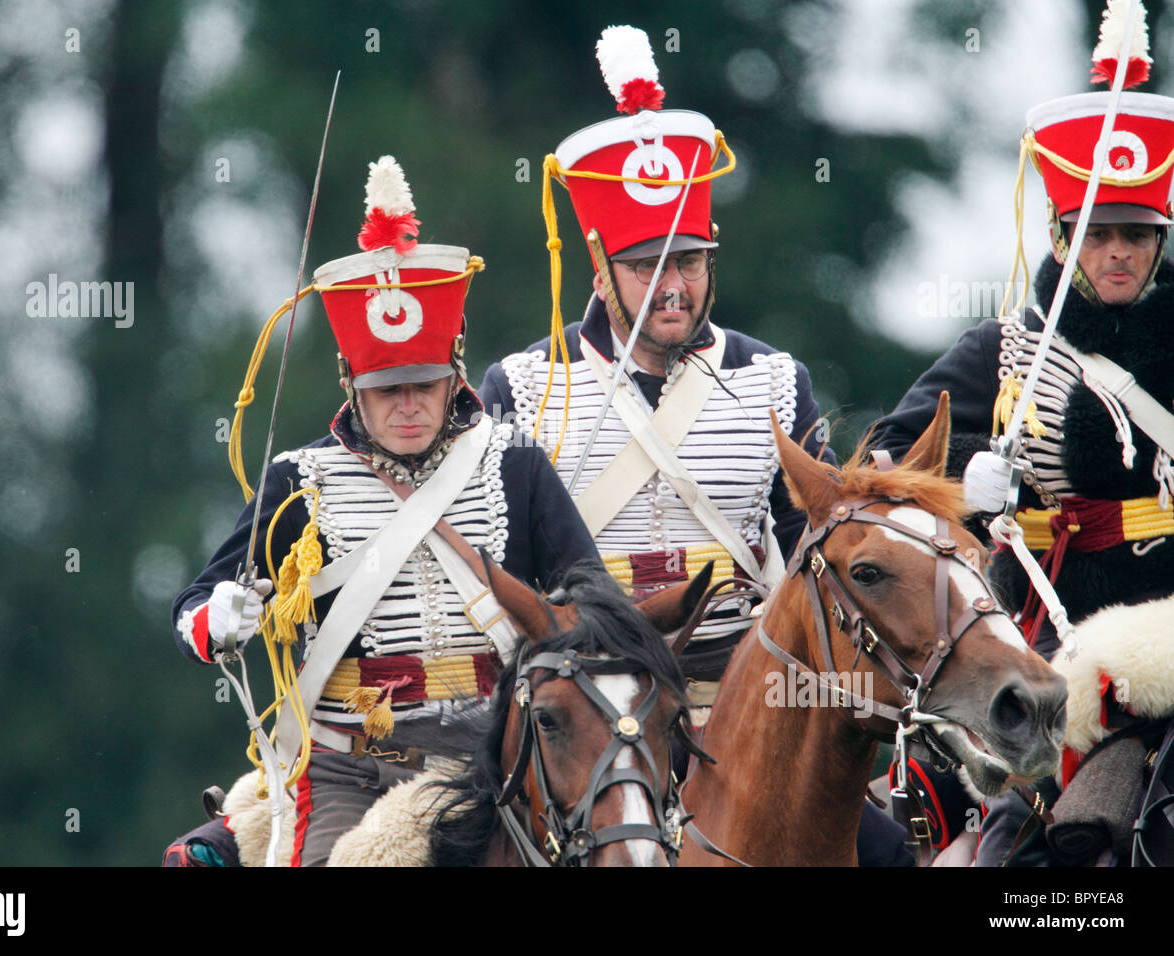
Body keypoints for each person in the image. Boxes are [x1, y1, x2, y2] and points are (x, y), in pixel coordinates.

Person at [163, 156, 601, 867]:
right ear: (350, 383)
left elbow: (592, 596)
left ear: (455, 370)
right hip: (348, 768)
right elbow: (190, 613)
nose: (407, 405)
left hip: (495, 763)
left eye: (423, 385)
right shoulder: (298, 480)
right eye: (386, 387)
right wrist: (221, 617)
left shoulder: (515, 464)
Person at [870, 0, 1174, 866]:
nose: (1118, 253)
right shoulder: (1004, 352)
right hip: (1044, 629)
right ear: (1060, 237)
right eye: (1099, 235)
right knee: (1004, 839)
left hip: (1172, 619)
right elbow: (889, 472)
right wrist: (964, 492)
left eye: (1138, 237)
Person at [479, 25, 832, 697]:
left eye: (690, 262)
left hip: (742, 690)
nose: (673, 286)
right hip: (585, 696)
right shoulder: (522, 386)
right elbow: (497, 568)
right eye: (645, 266)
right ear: (599, 268)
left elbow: (824, 553)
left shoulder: (778, 381)